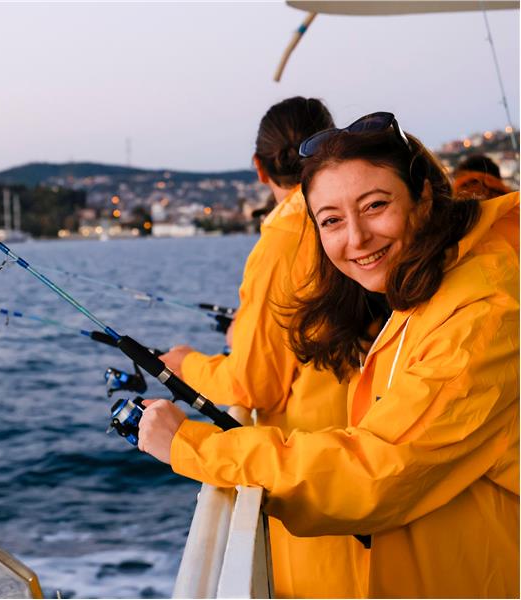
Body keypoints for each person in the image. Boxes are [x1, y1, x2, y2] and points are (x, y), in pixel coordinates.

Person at [141, 112, 520, 598]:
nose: (356, 238)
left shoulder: (484, 311)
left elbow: (377, 471)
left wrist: (191, 446)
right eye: (332, 220)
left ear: (423, 195)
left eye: (376, 205)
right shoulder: (433, 285)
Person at [160, 97, 369, 598]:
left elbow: (254, 384)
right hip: (362, 459)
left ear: (259, 168)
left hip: (323, 488)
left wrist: (184, 365)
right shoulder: (357, 222)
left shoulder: (282, 241)